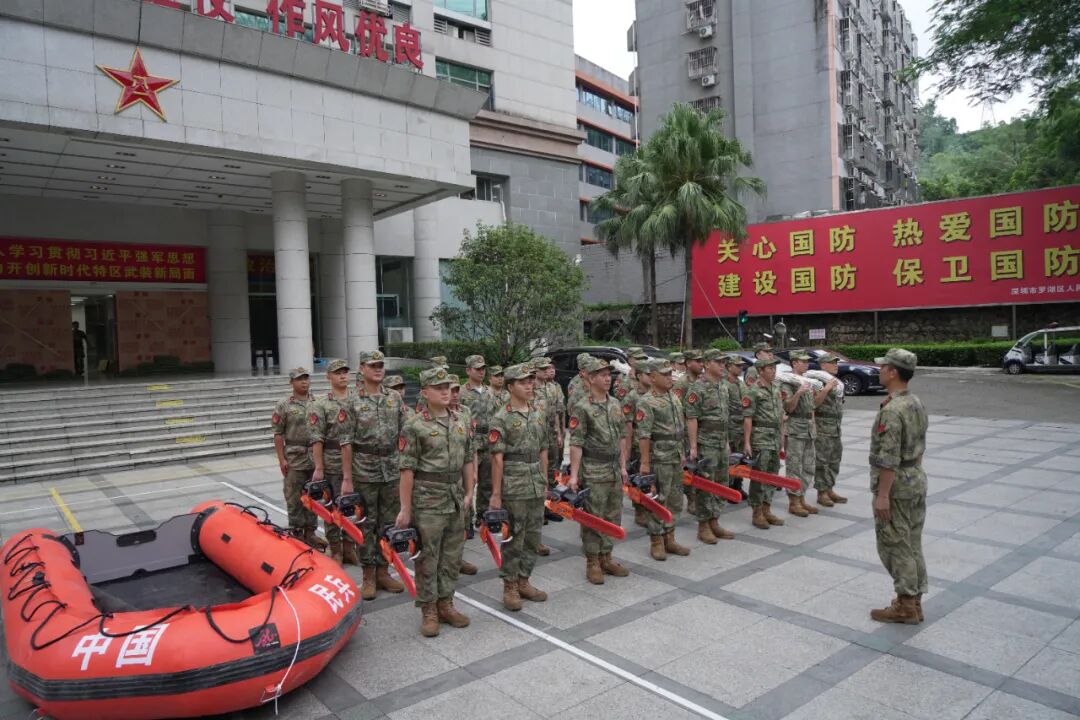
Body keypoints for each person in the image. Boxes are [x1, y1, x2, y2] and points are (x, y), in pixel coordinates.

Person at [396, 367, 477, 637]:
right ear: (424, 392)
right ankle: (428, 608)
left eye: (449, 387)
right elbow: (406, 469)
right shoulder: (415, 425)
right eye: (439, 387)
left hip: (454, 496)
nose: (446, 391)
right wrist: (405, 509)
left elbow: (467, 459)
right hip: (428, 498)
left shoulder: (460, 420)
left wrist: (469, 492)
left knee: (452, 556)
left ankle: (446, 603)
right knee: (428, 557)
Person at [868, 348, 928, 625]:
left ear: (893, 372)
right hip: (916, 477)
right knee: (913, 542)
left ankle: (905, 604)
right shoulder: (914, 402)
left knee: (895, 544)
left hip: (898, 486)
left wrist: (882, 495)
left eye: (883, 367)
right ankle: (914, 600)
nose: (879, 370)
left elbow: (889, 459)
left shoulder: (892, 411)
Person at [489, 363, 549, 610]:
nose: (529, 385)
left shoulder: (537, 411)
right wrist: (495, 493)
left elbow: (544, 448)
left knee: (533, 536)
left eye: (531, 381)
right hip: (514, 484)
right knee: (514, 537)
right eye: (523, 382)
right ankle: (510, 586)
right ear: (510, 386)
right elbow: (496, 458)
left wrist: (545, 479)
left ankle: (524, 579)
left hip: (535, 481)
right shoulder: (501, 417)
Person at [349, 350, 408, 600]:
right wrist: (346, 478)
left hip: (392, 467)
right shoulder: (352, 400)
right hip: (364, 469)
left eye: (381, 365)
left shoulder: (394, 397)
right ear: (362, 368)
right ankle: (369, 575)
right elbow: (346, 442)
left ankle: (385, 570)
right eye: (373, 365)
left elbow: (405, 434)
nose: (378, 369)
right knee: (366, 524)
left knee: (389, 523)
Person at [568, 357, 630, 584]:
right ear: (591, 378)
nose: (608, 379)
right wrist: (574, 475)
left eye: (609, 375)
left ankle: (607, 556)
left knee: (613, 515)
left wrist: (623, 466)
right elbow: (576, 442)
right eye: (603, 375)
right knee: (594, 518)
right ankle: (592, 561)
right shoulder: (582, 407)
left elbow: (622, 437)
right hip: (594, 469)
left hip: (613, 468)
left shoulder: (614, 404)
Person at [636, 359, 690, 561]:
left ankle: (670, 537)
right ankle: (656, 541)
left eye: (670, 374)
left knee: (675, 499)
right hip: (659, 457)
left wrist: (682, 452)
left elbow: (679, 429)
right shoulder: (646, 401)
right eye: (665, 374)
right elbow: (644, 435)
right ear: (652, 377)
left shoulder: (673, 397)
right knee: (659, 499)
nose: (670, 377)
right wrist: (645, 462)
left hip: (675, 455)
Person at [685, 349, 735, 543]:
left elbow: (725, 418)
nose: (722, 365)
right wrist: (693, 446)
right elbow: (692, 418)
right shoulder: (698, 388)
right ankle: (703, 525)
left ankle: (715, 520)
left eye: (723, 362)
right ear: (706, 363)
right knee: (706, 485)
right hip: (706, 443)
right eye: (718, 361)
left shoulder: (723, 386)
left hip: (721, 442)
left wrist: (727, 442)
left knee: (721, 482)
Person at [271, 368, 324, 551]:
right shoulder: (284, 405)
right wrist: (281, 459)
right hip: (294, 456)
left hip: (315, 455)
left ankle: (311, 532)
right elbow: (278, 434)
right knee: (294, 497)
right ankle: (297, 532)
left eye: (306, 378)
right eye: (300, 379)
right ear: (291, 382)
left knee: (314, 496)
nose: (304, 382)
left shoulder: (318, 402)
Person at [310, 359, 356, 564]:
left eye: (345, 372)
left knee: (352, 507)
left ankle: (349, 547)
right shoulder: (320, 404)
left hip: (358, 462)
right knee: (332, 507)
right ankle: (335, 548)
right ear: (328, 376)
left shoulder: (357, 400)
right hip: (332, 461)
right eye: (338, 373)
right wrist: (318, 467)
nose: (343, 376)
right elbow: (316, 438)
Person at [743, 357, 785, 530]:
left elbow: (780, 415)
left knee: (772, 474)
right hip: (761, 437)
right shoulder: (753, 390)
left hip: (774, 436)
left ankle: (767, 508)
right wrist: (747, 442)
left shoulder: (776, 388)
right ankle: (757, 511)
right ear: (760, 371)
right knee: (759, 476)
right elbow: (747, 418)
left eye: (774, 368)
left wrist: (781, 435)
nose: (773, 371)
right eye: (769, 368)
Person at [460, 355, 499, 529]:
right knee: (468, 483)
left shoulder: (490, 392)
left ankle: (483, 518)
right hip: (471, 443)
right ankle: (466, 521)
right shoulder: (461, 393)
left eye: (483, 368)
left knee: (488, 481)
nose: (481, 371)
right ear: (468, 370)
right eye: (477, 369)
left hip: (488, 442)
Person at [780, 350, 819, 518]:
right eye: (803, 361)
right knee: (794, 466)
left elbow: (812, 407)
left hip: (808, 427)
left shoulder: (807, 381)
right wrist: (799, 392)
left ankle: (801, 497)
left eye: (807, 361)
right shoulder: (788, 382)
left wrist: (814, 424)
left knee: (808, 466)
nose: (807, 363)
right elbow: (788, 407)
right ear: (794, 363)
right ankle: (793, 501)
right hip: (795, 427)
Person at [813, 354, 847, 507]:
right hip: (823, 428)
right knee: (822, 462)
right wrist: (826, 390)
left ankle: (830, 488)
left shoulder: (837, 383)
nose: (835, 365)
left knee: (835, 460)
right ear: (823, 365)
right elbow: (814, 404)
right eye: (831, 363)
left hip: (835, 428)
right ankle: (822, 493)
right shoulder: (818, 381)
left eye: (836, 363)